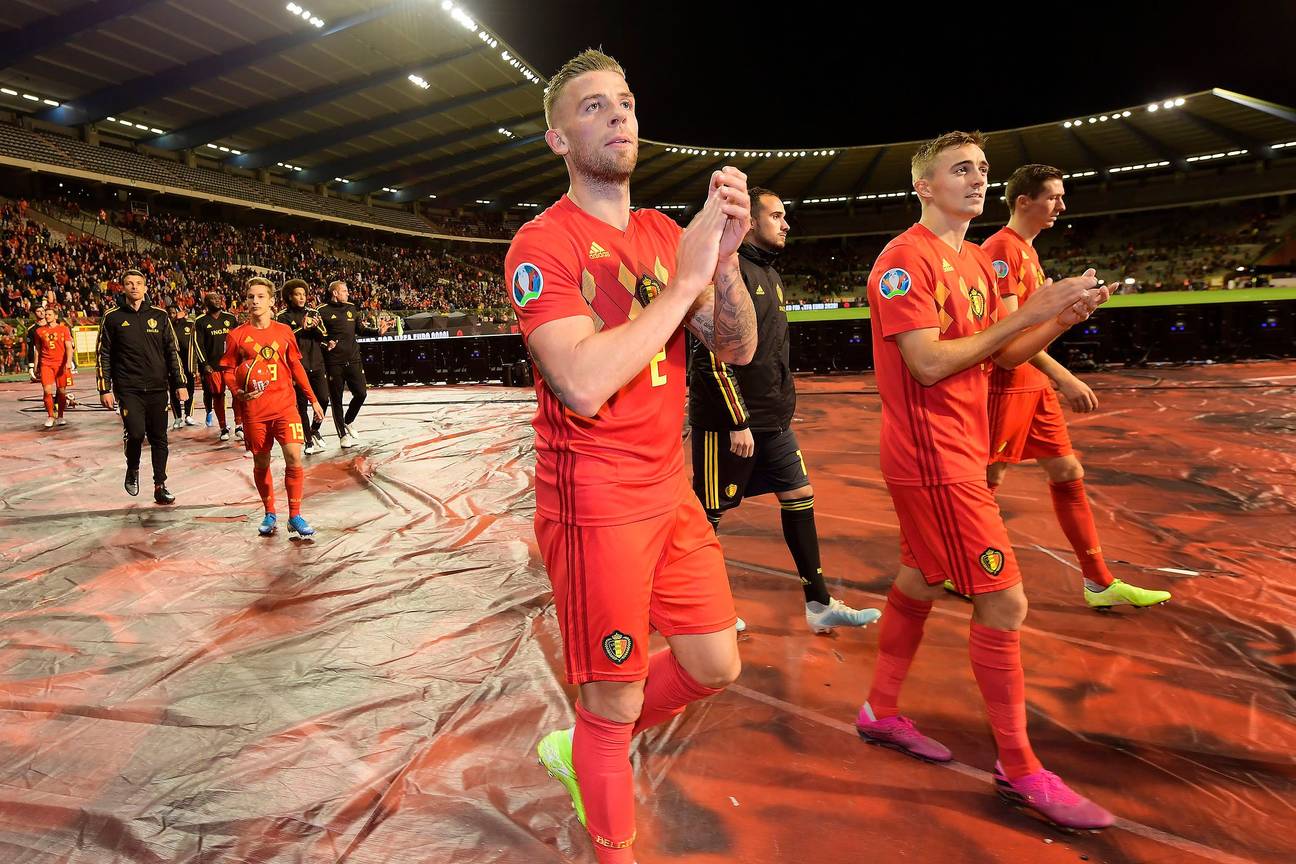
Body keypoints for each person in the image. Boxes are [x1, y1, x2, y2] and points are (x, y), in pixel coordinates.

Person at [512, 50, 756, 864]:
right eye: (593, 107)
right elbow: (580, 382)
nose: (618, 115)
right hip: (595, 499)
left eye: (625, 101)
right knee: (613, 702)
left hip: (670, 488)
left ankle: (584, 744)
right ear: (557, 138)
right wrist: (682, 286)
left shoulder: (663, 236)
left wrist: (721, 269)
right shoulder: (540, 245)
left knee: (715, 662)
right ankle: (604, 793)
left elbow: (737, 347)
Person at [854, 131, 1115, 829]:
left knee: (920, 580)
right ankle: (1020, 768)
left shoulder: (973, 259)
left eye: (981, 170)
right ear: (924, 186)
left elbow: (1006, 355)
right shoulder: (903, 262)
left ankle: (879, 710)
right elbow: (929, 364)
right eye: (960, 170)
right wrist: (1030, 312)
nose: (976, 179)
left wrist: (1057, 319)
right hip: (932, 458)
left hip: (961, 451)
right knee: (1004, 604)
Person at [688, 186, 879, 634]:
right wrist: (737, 419)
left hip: (773, 422)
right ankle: (699, 609)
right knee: (706, 517)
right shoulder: (727, 271)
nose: (787, 223)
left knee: (799, 495)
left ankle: (818, 604)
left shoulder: (771, 275)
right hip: (729, 424)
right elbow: (710, 356)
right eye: (776, 215)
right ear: (750, 223)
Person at [982, 165, 1170, 609]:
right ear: (1023, 201)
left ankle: (1099, 583)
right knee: (988, 479)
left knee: (1068, 471)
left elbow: (1036, 331)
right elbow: (1008, 339)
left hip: (1033, 383)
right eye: (1053, 197)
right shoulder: (1000, 250)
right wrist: (1064, 376)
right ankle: (960, 568)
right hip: (1009, 385)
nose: (1062, 206)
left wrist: (1076, 308)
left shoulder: (1026, 251)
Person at [219, 277, 324, 539]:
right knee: (261, 461)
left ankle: (295, 515)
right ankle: (269, 512)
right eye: (251, 297)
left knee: (294, 458)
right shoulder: (237, 335)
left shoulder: (284, 331)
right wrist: (238, 392)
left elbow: (296, 366)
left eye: (260, 297)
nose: (255, 301)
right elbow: (229, 370)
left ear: (271, 301)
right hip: (255, 411)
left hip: (286, 407)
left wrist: (312, 399)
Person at [95, 269, 186, 504]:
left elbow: (172, 352)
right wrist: (105, 388)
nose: (134, 287)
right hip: (128, 388)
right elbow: (103, 354)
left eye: (138, 283)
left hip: (158, 387)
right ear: (122, 288)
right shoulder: (112, 317)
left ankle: (160, 485)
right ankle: (132, 468)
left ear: (146, 288)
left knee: (160, 438)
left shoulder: (160, 315)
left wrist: (180, 383)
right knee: (136, 433)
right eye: (129, 283)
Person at [318, 280, 389, 448]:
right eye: (344, 291)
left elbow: (360, 329)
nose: (347, 293)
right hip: (334, 362)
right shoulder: (322, 311)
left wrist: (377, 332)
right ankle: (342, 435)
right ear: (335, 293)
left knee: (361, 393)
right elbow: (318, 337)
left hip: (354, 359)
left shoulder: (351, 308)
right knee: (336, 399)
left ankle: (348, 421)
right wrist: (326, 344)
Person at [276, 279, 330, 455]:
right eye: (298, 294)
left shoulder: (313, 312)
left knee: (323, 400)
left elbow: (323, 335)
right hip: (297, 366)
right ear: (290, 297)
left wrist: (314, 328)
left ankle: (315, 429)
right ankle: (307, 440)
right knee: (302, 405)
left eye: (304, 294)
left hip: (317, 363)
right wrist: (302, 328)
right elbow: (284, 340)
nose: (302, 297)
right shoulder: (282, 316)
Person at [194, 292, 241, 442]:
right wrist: (204, 364)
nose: (217, 301)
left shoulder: (231, 318)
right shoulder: (201, 321)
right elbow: (198, 344)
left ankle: (239, 425)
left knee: (237, 395)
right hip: (213, 367)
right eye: (212, 299)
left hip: (232, 365)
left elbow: (239, 340)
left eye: (218, 298)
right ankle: (223, 427)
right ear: (206, 304)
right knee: (218, 396)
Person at [31, 306, 76, 428]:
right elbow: (38, 350)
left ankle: (60, 416)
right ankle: (50, 416)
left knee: (61, 391)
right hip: (46, 364)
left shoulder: (64, 329)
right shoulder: (39, 331)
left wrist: (68, 362)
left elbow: (68, 347)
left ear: (56, 316)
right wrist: (36, 366)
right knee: (47, 390)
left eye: (49, 314)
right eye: (46, 314)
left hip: (60, 364)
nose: (47, 316)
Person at [169, 305, 199, 429]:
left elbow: (195, 346)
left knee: (190, 390)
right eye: (169, 313)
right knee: (173, 391)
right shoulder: (168, 326)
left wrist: (195, 367)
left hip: (188, 364)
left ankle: (188, 415)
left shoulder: (189, 324)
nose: (172, 315)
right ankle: (177, 417)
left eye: (173, 312)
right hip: (173, 365)